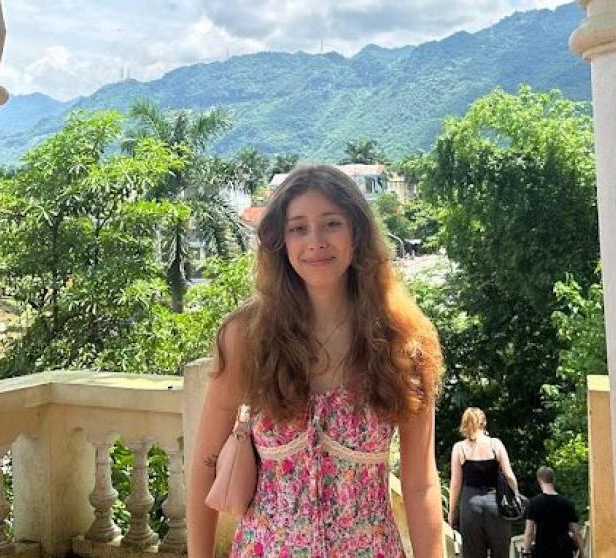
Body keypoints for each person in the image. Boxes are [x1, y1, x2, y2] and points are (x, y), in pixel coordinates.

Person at [186, 165, 445, 557]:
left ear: (357, 232)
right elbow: (205, 466)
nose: (315, 241)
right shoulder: (248, 336)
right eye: (298, 228)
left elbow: (420, 484)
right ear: (281, 241)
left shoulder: (404, 340)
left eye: (331, 223)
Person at [447, 407, 520, 558]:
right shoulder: (495, 444)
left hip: (470, 506)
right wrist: (516, 496)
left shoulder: (459, 448)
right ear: (484, 422)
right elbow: (509, 475)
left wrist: (452, 510)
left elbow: (455, 483)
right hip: (496, 505)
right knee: (501, 553)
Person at [521, 466, 584, 558]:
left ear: (539, 480)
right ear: (554, 480)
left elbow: (529, 532)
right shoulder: (567, 502)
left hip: (542, 552)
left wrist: (526, 552)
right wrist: (582, 552)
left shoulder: (534, 503)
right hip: (564, 552)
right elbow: (576, 532)